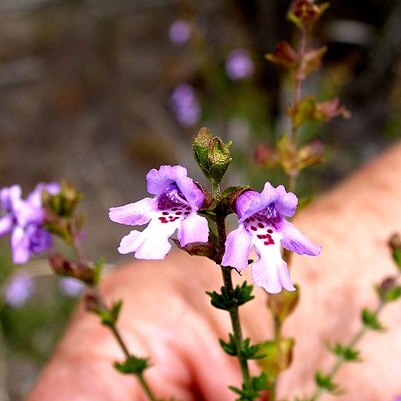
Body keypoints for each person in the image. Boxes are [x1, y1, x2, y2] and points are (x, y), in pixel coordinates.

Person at [26, 142, 401, 401]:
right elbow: (192, 227)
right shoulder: (193, 219)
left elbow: (268, 232)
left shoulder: (244, 231)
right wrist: (190, 208)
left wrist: (251, 218)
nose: (263, 219)